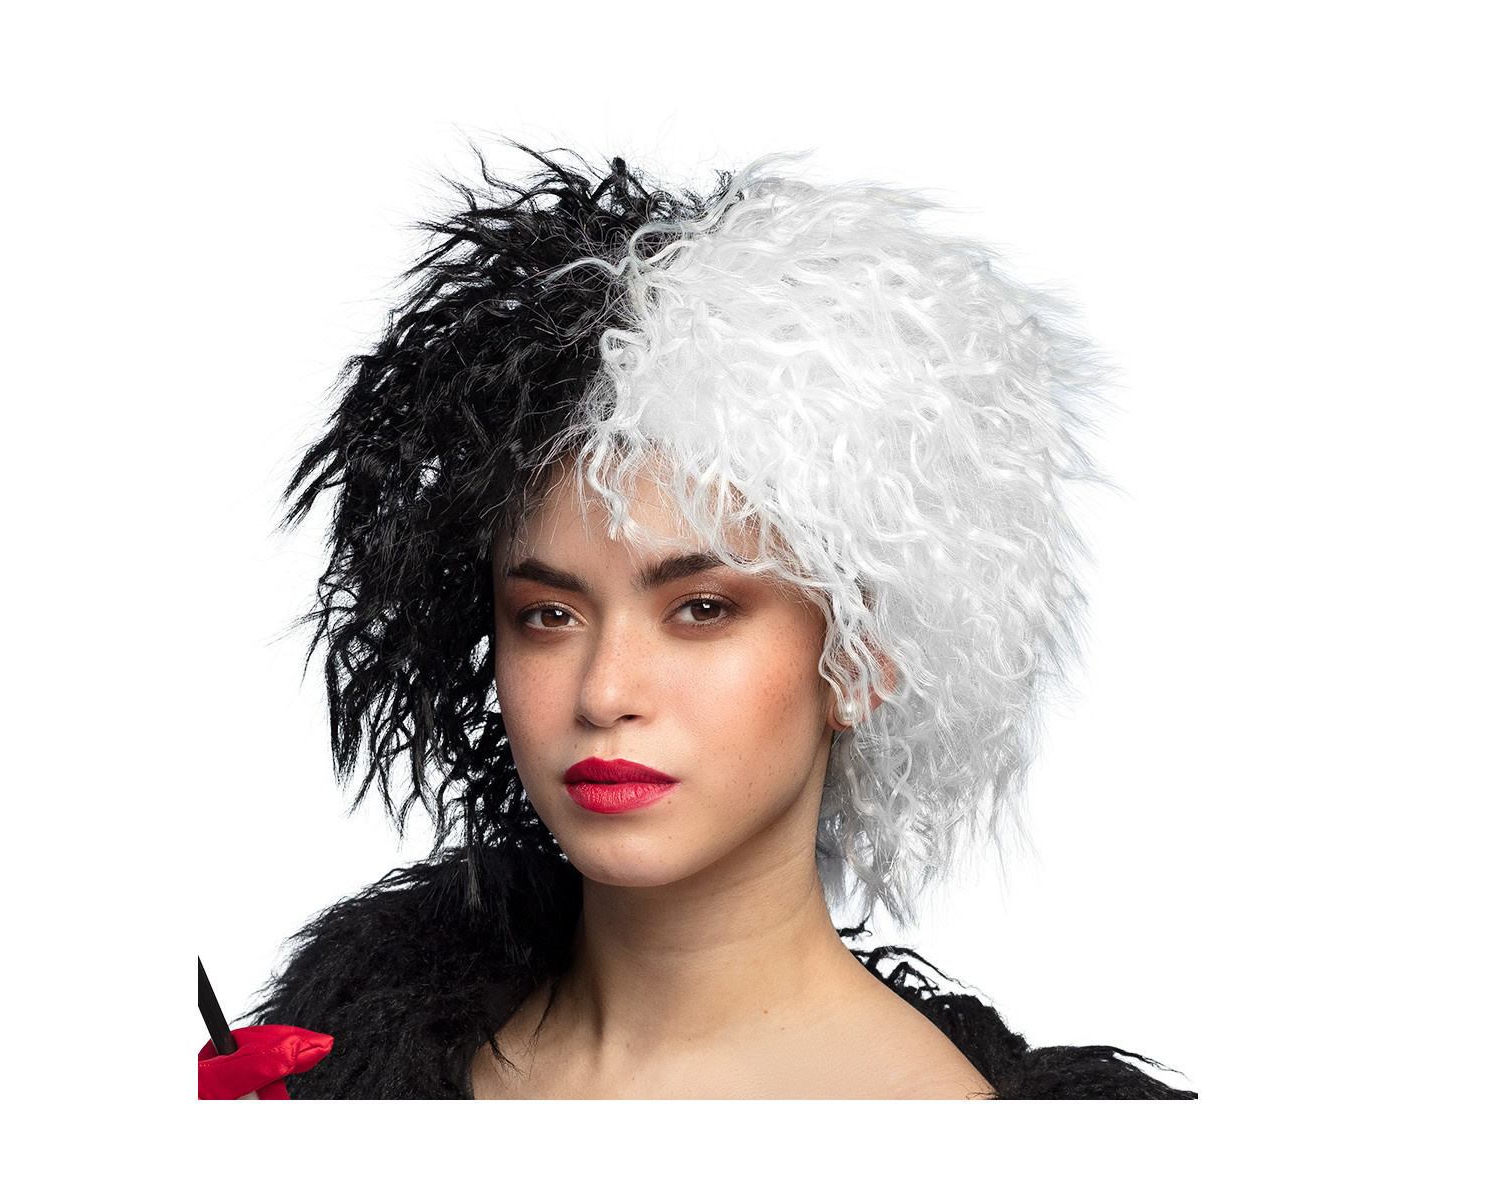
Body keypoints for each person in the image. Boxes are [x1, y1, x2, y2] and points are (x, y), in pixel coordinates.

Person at [241, 147, 1195, 1099]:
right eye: (548, 615)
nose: (604, 692)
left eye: (701, 609)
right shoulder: (345, 1064)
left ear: (861, 657)